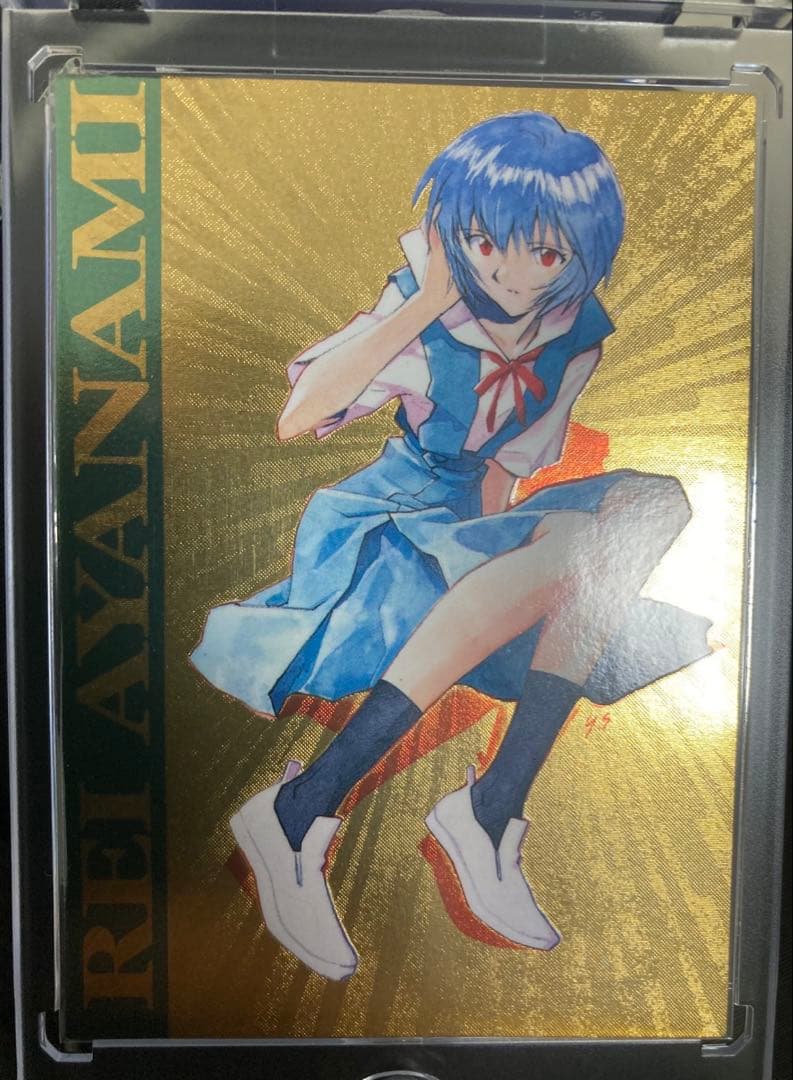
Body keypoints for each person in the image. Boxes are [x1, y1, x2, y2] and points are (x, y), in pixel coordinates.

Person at [191, 111, 711, 982]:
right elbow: (298, 416)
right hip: (394, 524)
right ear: (452, 233)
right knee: (575, 549)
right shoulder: (423, 308)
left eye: (544, 253)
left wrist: (511, 571)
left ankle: (471, 807)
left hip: (473, 526)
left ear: (579, 251)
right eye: (484, 242)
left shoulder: (577, 330)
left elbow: (510, 466)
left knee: (649, 504)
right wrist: (426, 302)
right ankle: (322, 809)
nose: (509, 273)